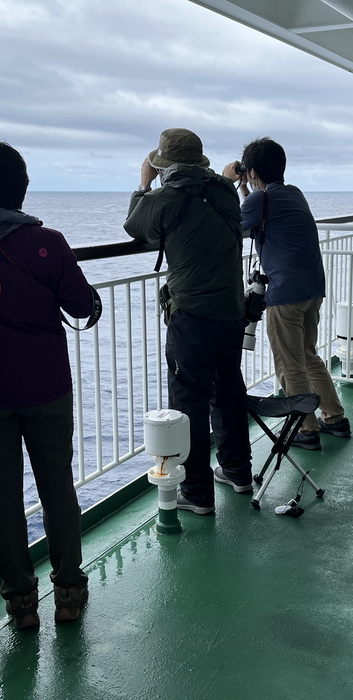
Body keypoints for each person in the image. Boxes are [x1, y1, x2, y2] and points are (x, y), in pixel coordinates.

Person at [0, 138, 95, 627]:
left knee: (1, 496)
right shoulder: (47, 242)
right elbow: (81, 306)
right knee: (57, 487)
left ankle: (20, 603)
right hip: (45, 386)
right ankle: (68, 593)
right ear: (22, 190)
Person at [123, 128, 253, 515]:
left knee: (189, 403)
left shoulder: (164, 198)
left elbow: (134, 226)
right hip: (232, 310)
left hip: (192, 316)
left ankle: (196, 492)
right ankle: (237, 471)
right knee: (228, 390)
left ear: (162, 165)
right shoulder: (225, 191)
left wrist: (142, 184)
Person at [223, 137, 349, 452]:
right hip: (312, 289)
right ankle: (334, 417)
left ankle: (305, 429)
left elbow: (230, 225)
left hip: (285, 293)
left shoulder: (258, 201)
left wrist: (227, 183)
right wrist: (246, 186)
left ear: (251, 172)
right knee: (308, 356)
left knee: (289, 362)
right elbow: (258, 211)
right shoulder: (293, 194)